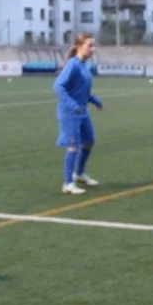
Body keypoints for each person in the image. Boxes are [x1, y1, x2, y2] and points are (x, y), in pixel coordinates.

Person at [55, 34, 104, 195]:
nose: (93, 49)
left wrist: (94, 100)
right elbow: (58, 87)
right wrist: (73, 105)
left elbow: (80, 90)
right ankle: (68, 183)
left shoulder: (84, 65)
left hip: (82, 111)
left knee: (89, 141)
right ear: (79, 46)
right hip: (70, 113)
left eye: (94, 45)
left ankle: (79, 174)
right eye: (90, 45)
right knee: (73, 147)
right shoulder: (73, 65)